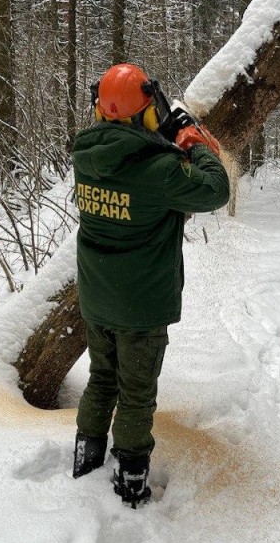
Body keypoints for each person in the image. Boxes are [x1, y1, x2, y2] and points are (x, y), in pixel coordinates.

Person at [70, 63, 230, 507]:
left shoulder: (86, 160)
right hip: (138, 305)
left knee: (102, 379)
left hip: (97, 294)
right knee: (137, 394)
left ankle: (86, 458)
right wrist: (192, 143)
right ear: (145, 115)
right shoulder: (158, 172)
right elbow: (216, 190)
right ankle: (131, 479)